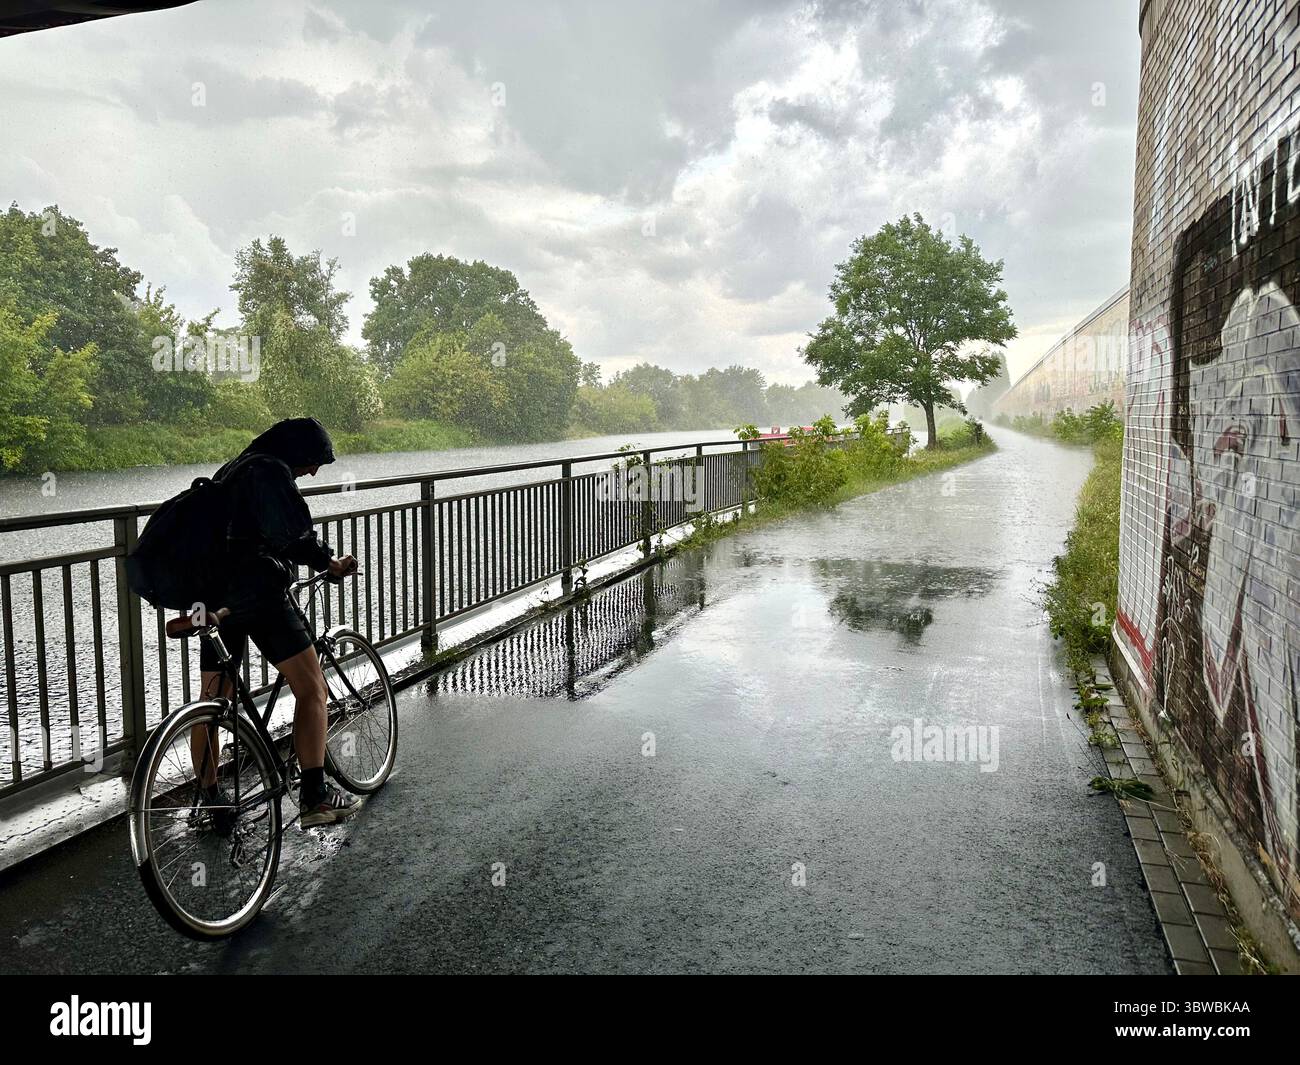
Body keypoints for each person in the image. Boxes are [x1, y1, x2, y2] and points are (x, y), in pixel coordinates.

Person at [194, 417, 361, 827]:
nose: (315, 471)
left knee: (213, 703)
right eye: (314, 461)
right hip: (259, 596)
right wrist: (332, 563)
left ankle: (212, 801)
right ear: (298, 452)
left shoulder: (232, 469)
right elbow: (295, 537)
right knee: (312, 689)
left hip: (215, 595)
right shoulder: (270, 472)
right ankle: (316, 799)